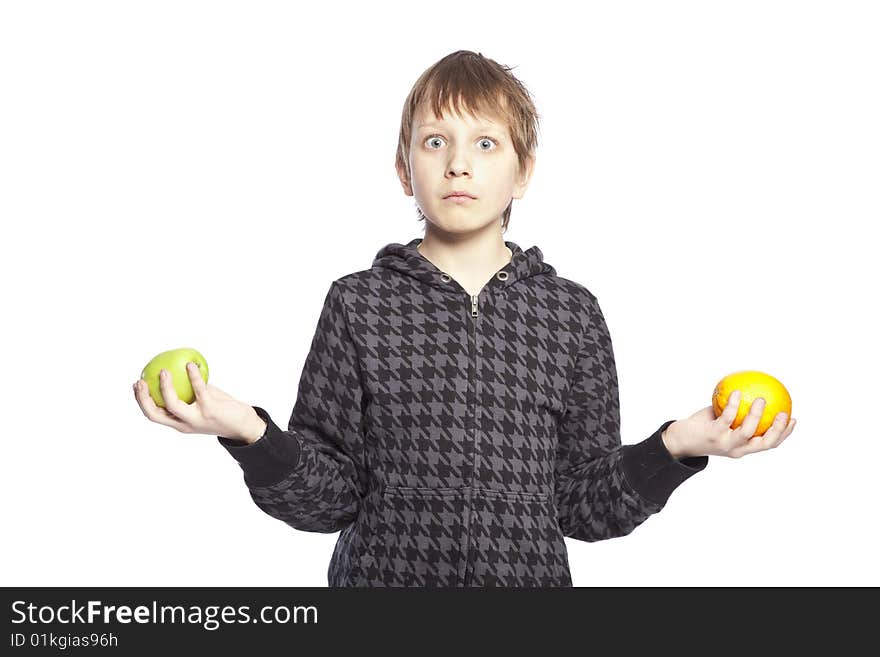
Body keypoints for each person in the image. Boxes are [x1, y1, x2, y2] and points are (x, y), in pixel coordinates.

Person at [133, 50, 797, 587]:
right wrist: (248, 432)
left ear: (523, 171)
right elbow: (327, 498)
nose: (458, 162)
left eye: (485, 142)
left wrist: (677, 445)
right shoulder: (358, 304)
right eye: (434, 141)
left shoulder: (571, 314)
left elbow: (583, 506)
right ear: (404, 170)